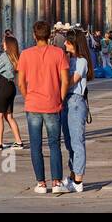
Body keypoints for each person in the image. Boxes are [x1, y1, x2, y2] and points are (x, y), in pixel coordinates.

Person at [17, 20, 71, 194]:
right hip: (52, 104)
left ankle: (41, 183)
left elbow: (21, 82)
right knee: (54, 144)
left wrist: (28, 97)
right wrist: (60, 98)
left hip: (32, 104)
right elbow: (65, 80)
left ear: (34, 35)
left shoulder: (25, 54)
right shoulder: (59, 53)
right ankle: (56, 183)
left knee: (35, 145)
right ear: (50, 35)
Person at [61, 28, 93, 192]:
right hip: (66, 102)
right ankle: (73, 175)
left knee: (77, 141)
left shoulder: (81, 61)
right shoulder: (68, 59)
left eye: (67, 41)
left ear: (75, 43)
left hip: (75, 101)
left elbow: (71, 81)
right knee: (68, 142)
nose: (65, 43)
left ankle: (79, 181)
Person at [0, 35, 24, 149]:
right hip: (11, 87)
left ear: (8, 45)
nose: (2, 44)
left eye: (4, 43)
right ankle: (18, 141)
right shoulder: (15, 56)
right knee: (9, 116)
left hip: (4, 87)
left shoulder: (4, 56)